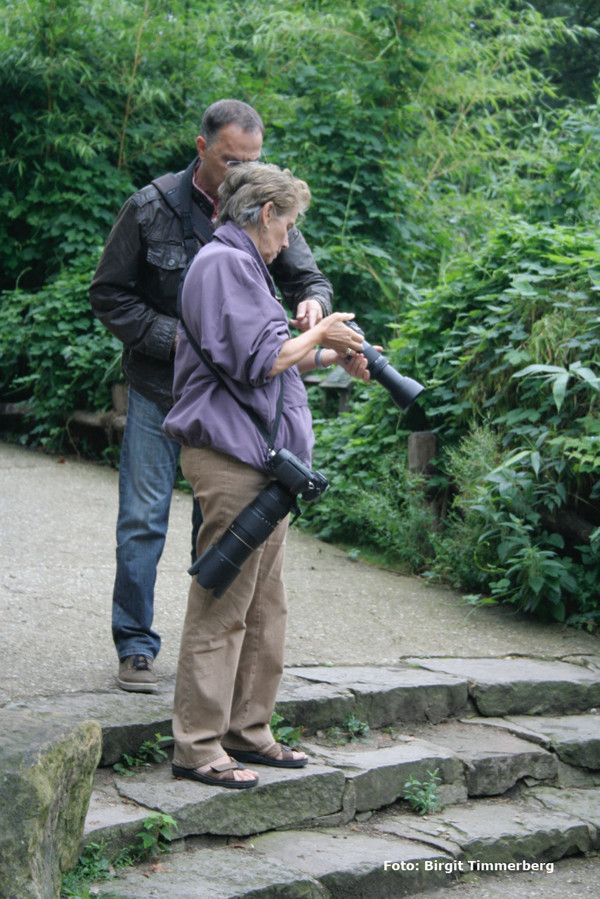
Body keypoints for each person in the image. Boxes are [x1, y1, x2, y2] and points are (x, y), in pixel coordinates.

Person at [89, 99, 337, 693]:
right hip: (158, 389)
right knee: (143, 520)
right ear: (201, 149)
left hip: (230, 406)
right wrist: (187, 341)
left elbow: (308, 277)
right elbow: (108, 294)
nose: (241, 173)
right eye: (231, 160)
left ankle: (210, 664)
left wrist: (314, 307)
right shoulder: (149, 207)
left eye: (253, 159)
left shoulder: (266, 204)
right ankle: (136, 648)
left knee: (223, 526)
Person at [162, 162, 370, 787]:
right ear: (265, 214)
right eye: (288, 224)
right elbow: (260, 359)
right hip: (232, 460)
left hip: (264, 462)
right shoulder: (225, 264)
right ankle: (197, 747)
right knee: (222, 602)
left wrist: (335, 355)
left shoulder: (244, 266)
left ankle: (248, 732)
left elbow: (266, 362)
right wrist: (322, 332)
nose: (289, 240)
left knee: (263, 607)